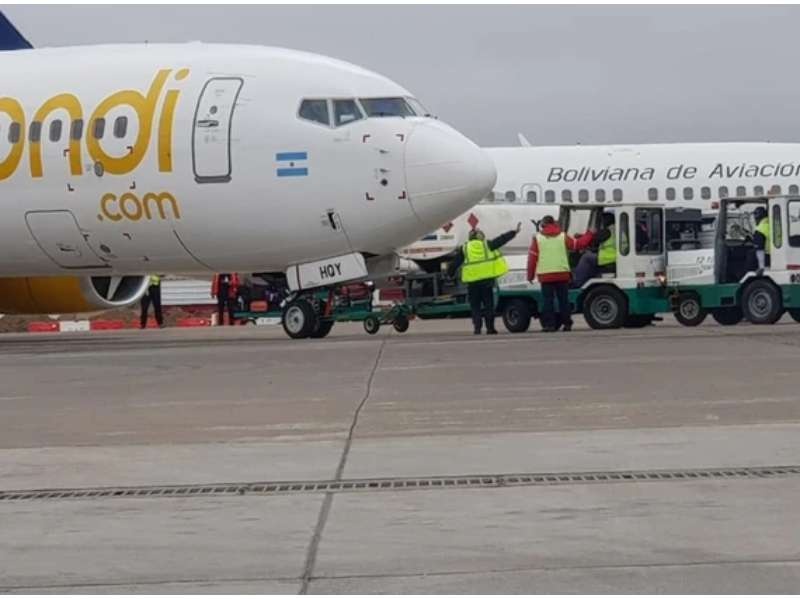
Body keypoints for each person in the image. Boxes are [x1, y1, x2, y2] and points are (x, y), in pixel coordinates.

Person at [449, 223, 520, 335]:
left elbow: (454, 264)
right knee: (489, 306)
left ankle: (477, 329)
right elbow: (501, 240)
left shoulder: (465, 248)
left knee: (475, 307)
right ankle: (490, 328)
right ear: (480, 236)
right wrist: (513, 232)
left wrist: (449, 274)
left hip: (472, 283)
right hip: (487, 282)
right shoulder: (487, 245)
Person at [528, 216, 595, 332]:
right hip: (562, 274)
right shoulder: (562, 236)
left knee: (548, 301)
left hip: (546, 276)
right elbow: (578, 244)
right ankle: (567, 324)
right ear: (554, 223)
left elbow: (532, 259)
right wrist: (590, 234)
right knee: (563, 300)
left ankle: (549, 325)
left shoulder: (537, 238)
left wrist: (530, 276)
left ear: (543, 225)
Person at [572, 212, 616, 288]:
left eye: (603, 220)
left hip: (609, 257)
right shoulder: (614, 229)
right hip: (611, 255)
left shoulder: (608, 230)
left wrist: (581, 237)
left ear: (607, 220)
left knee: (586, 257)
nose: (602, 222)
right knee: (589, 254)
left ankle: (577, 282)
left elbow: (595, 239)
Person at [752, 206, 771, 273]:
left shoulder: (760, 229)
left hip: (767, 258)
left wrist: (761, 267)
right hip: (775, 255)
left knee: (750, 255)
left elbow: (760, 249)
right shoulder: (771, 223)